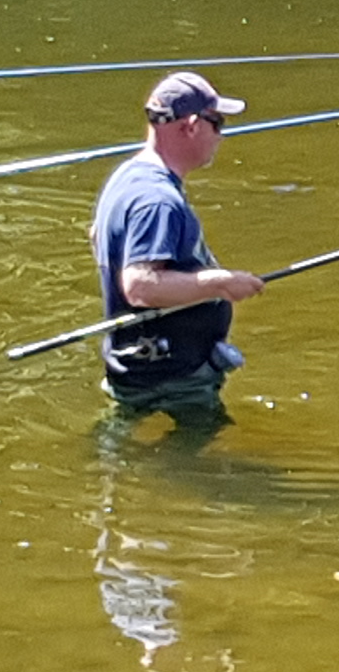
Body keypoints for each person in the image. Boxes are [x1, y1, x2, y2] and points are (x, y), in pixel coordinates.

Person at [90, 71, 268, 419]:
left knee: (122, 430)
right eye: (217, 124)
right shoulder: (158, 200)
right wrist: (221, 284)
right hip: (172, 376)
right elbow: (140, 286)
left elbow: (98, 235)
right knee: (204, 436)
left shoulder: (127, 175)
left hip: (134, 364)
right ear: (191, 126)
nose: (221, 137)